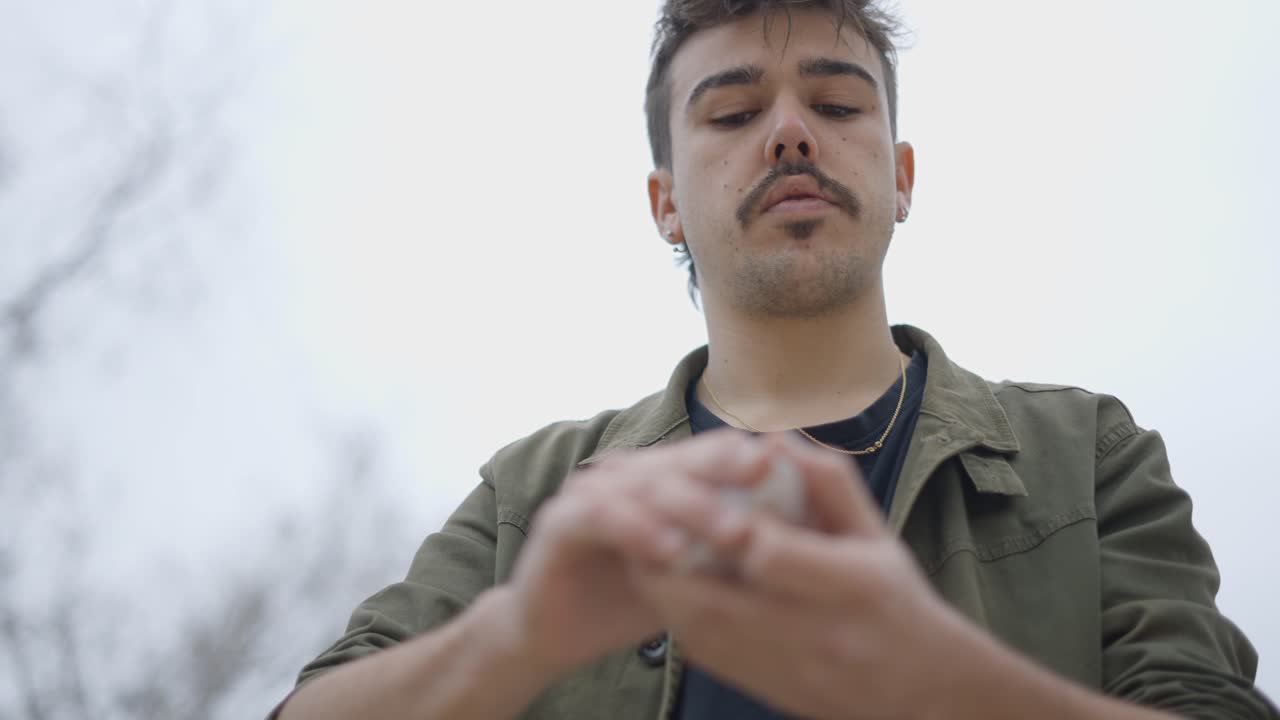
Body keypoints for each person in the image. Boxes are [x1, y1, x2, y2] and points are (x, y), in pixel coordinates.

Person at [272, 2, 1276, 718]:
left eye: (837, 107)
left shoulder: (1088, 456)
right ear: (663, 201)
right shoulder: (528, 497)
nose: (789, 133)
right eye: (732, 113)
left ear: (898, 175)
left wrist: (936, 683)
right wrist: (516, 637)